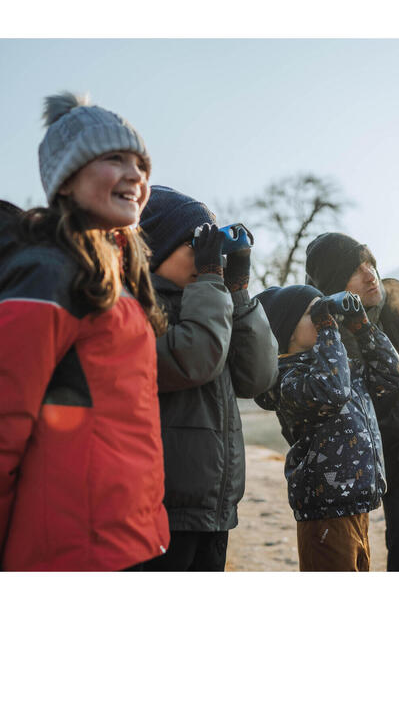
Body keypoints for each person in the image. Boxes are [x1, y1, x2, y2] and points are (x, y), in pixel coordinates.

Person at [0, 91, 170, 571]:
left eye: (141, 163)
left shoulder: (119, 276)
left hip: (131, 542)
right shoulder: (46, 276)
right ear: (66, 179)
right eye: (115, 158)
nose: (136, 175)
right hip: (74, 556)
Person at [137, 186, 278, 571]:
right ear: (155, 248)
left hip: (214, 508)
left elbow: (259, 376)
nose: (207, 256)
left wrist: (239, 293)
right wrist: (213, 280)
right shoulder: (137, 310)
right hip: (160, 510)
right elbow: (195, 358)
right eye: (197, 243)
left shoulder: (212, 305)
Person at [305, 232, 399, 571]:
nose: (370, 274)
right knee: (345, 553)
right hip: (341, 455)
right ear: (333, 283)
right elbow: (299, 405)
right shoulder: (311, 323)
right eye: (356, 269)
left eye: (370, 262)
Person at [253, 285, 399, 571]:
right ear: (288, 329)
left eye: (325, 314)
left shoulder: (337, 365)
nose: (327, 320)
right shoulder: (287, 379)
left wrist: (362, 327)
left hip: (355, 504)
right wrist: (327, 328)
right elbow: (332, 391)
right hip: (324, 510)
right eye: (315, 313)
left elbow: (393, 375)